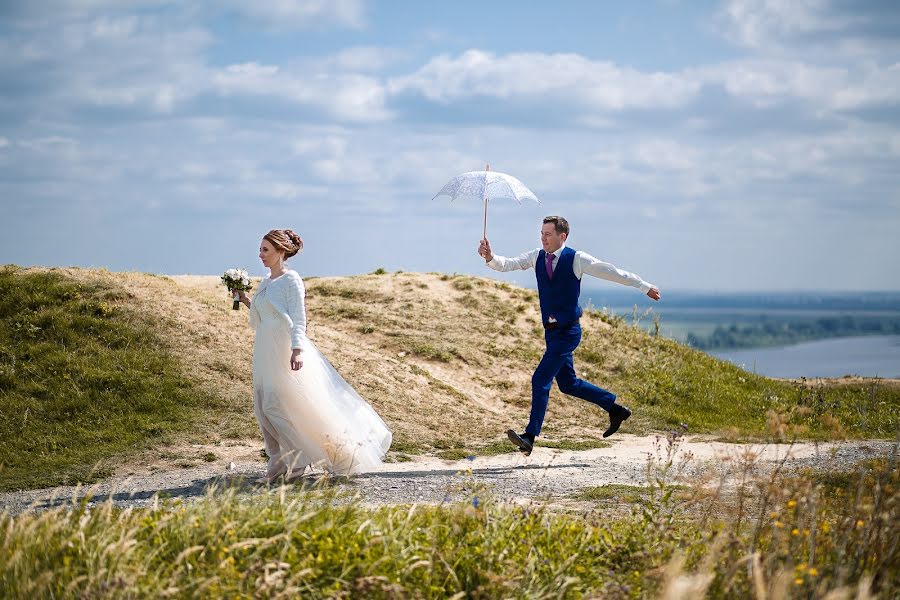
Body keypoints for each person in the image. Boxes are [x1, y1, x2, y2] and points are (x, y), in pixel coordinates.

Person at [478, 216, 660, 456]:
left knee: (540, 379)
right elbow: (507, 264)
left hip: (568, 332)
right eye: (541, 233)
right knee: (568, 384)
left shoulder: (576, 259)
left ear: (562, 236)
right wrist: (490, 257)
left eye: (548, 234)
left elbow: (611, 272)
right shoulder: (537, 256)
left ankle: (529, 436)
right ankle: (614, 408)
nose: (543, 238)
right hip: (551, 334)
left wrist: (643, 285)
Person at [232, 229, 392, 482]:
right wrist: (245, 299)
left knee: (276, 407)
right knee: (262, 409)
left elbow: (298, 318)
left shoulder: (291, 279)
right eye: (260, 249)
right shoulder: (266, 282)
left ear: (281, 252)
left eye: (265, 250)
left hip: (284, 348)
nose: (260, 255)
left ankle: (297, 460)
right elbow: (263, 317)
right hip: (264, 349)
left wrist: (297, 349)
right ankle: (277, 465)